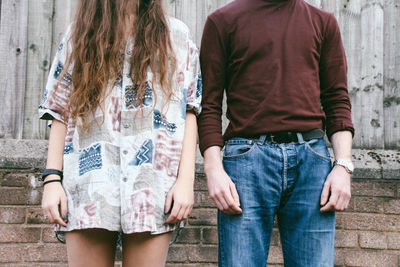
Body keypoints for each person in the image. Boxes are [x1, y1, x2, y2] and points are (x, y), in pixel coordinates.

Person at [38, 0, 202, 266]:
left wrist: (186, 182)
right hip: (88, 185)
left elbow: (190, 109)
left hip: (151, 187)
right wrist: (52, 180)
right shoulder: (77, 36)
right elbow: (58, 111)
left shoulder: (177, 37)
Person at [198, 0, 354, 266]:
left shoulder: (323, 23)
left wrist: (343, 166)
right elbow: (208, 104)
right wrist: (213, 170)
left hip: (312, 161)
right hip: (246, 162)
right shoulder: (222, 22)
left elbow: (337, 99)